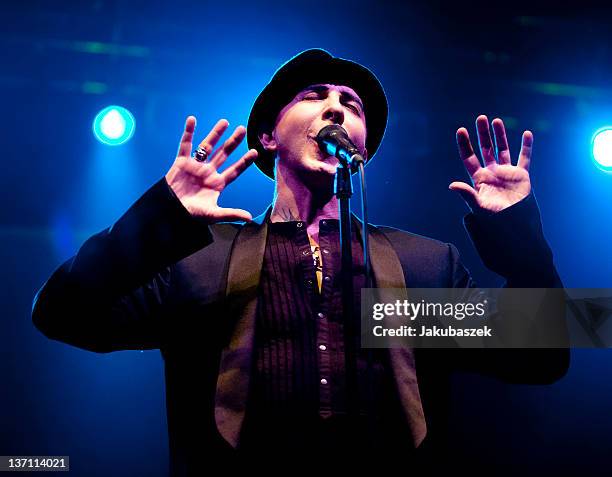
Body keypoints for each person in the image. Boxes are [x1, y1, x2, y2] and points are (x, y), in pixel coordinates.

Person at [31, 49, 568, 475]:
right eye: (314, 97)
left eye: (351, 106)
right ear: (268, 136)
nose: (336, 108)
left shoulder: (421, 265)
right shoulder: (200, 260)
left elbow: (543, 356)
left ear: (361, 148)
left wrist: (518, 234)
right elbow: (60, 313)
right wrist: (160, 219)